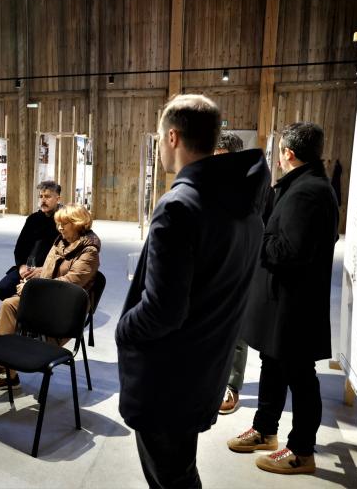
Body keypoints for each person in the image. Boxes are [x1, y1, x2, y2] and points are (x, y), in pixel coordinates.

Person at [116, 94, 270, 488]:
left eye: (159, 138)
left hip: (168, 378)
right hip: (203, 371)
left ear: (172, 137)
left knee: (171, 477)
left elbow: (163, 310)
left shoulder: (179, 207)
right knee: (179, 471)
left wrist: (124, 329)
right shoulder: (245, 206)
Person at [228, 122, 339, 475]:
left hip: (294, 305)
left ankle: (301, 451)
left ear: (288, 153)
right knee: (273, 365)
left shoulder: (307, 192)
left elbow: (288, 251)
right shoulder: (304, 186)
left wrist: (256, 235)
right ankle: (265, 430)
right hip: (281, 302)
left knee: (300, 376)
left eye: (279, 151)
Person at [0, 203, 101, 390]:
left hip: (66, 307)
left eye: (64, 224)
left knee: (19, 304)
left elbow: (69, 283)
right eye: (58, 223)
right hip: (47, 298)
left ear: (78, 224)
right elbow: (48, 272)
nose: (60, 228)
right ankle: (3, 366)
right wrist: (31, 282)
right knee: (9, 304)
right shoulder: (60, 242)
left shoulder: (89, 252)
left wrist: (32, 289)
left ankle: (6, 370)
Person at [214, 131, 248, 415]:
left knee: (236, 333)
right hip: (209, 269)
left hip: (239, 270)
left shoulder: (253, 189)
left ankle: (231, 385)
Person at [0, 180, 61, 302]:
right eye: (41, 196)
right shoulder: (33, 219)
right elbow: (20, 247)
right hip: (28, 268)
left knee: (32, 294)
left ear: (58, 199)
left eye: (47, 197)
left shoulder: (63, 221)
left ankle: (20, 306)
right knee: (2, 289)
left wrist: (45, 270)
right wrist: (21, 266)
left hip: (48, 271)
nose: (43, 200)